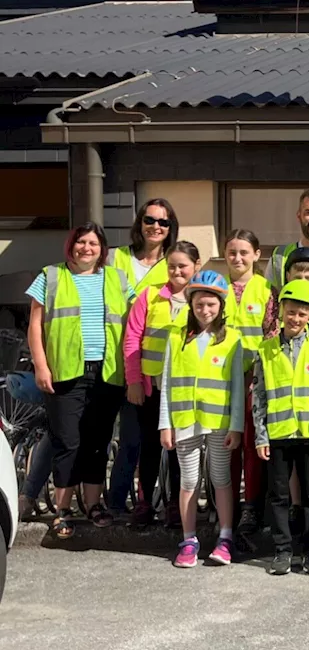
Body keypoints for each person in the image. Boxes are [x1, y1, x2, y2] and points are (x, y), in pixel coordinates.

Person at [26, 222, 131, 537]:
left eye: (94, 243)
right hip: (65, 371)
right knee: (68, 442)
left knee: (98, 442)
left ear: (103, 249)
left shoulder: (116, 278)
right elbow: (35, 325)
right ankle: (62, 510)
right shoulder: (51, 275)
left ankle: (93, 504)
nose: (87, 248)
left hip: (107, 370)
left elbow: (139, 316)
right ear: (70, 245)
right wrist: (41, 366)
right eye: (81, 242)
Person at [158, 271, 244, 568]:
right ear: (190, 305)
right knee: (189, 480)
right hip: (184, 421)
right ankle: (189, 539)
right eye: (199, 305)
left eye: (211, 305)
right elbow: (167, 382)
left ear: (221, 306)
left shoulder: (233, 339)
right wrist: (164, 423)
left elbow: (236, 387)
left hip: (219, 422)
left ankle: (225, 537)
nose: (205, 311)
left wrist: (236, 425)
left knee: (221, 479)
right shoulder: (176, 336)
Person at [253, 280, 309, 576]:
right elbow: (259, 395)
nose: (295, 319)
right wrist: (261, 435)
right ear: (281, 312)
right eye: (290, 312)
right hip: (278, 434)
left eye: (302, 314)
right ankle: (282, 551)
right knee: (278, 496)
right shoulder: (266, 350)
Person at [106, 198, 179, 516]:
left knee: (140, 439)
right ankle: (112, 504)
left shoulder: (173, 266)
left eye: (163, 223)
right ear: (139, 222)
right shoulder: (115, 257)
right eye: (150, 220)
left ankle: (134, 502)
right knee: (106, 437)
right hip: (110, 357)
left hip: (149, 372)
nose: (156, 227)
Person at [123, 240, 202, 528]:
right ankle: (145, 503)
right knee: (150, 447)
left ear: (196, 266)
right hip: (150, 386)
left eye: (183, 266)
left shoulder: (201, 299)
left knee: (181, 448)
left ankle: (174, 504)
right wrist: (133, 381)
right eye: (172, 266)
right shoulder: (150, 295)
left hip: (184, 390)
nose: (177, 271)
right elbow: (132, 339)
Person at [222, 229, 272, 538]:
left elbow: (270, 334)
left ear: (256, 255)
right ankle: (225, 504)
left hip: (255, 379)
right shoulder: (217, 289)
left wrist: (259, 378)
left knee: (254, 444)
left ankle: (252, 506)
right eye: (231, 252)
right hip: (221, 380)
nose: (238, 258)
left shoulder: (267, 290)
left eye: (244, 252)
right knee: (226, 445)